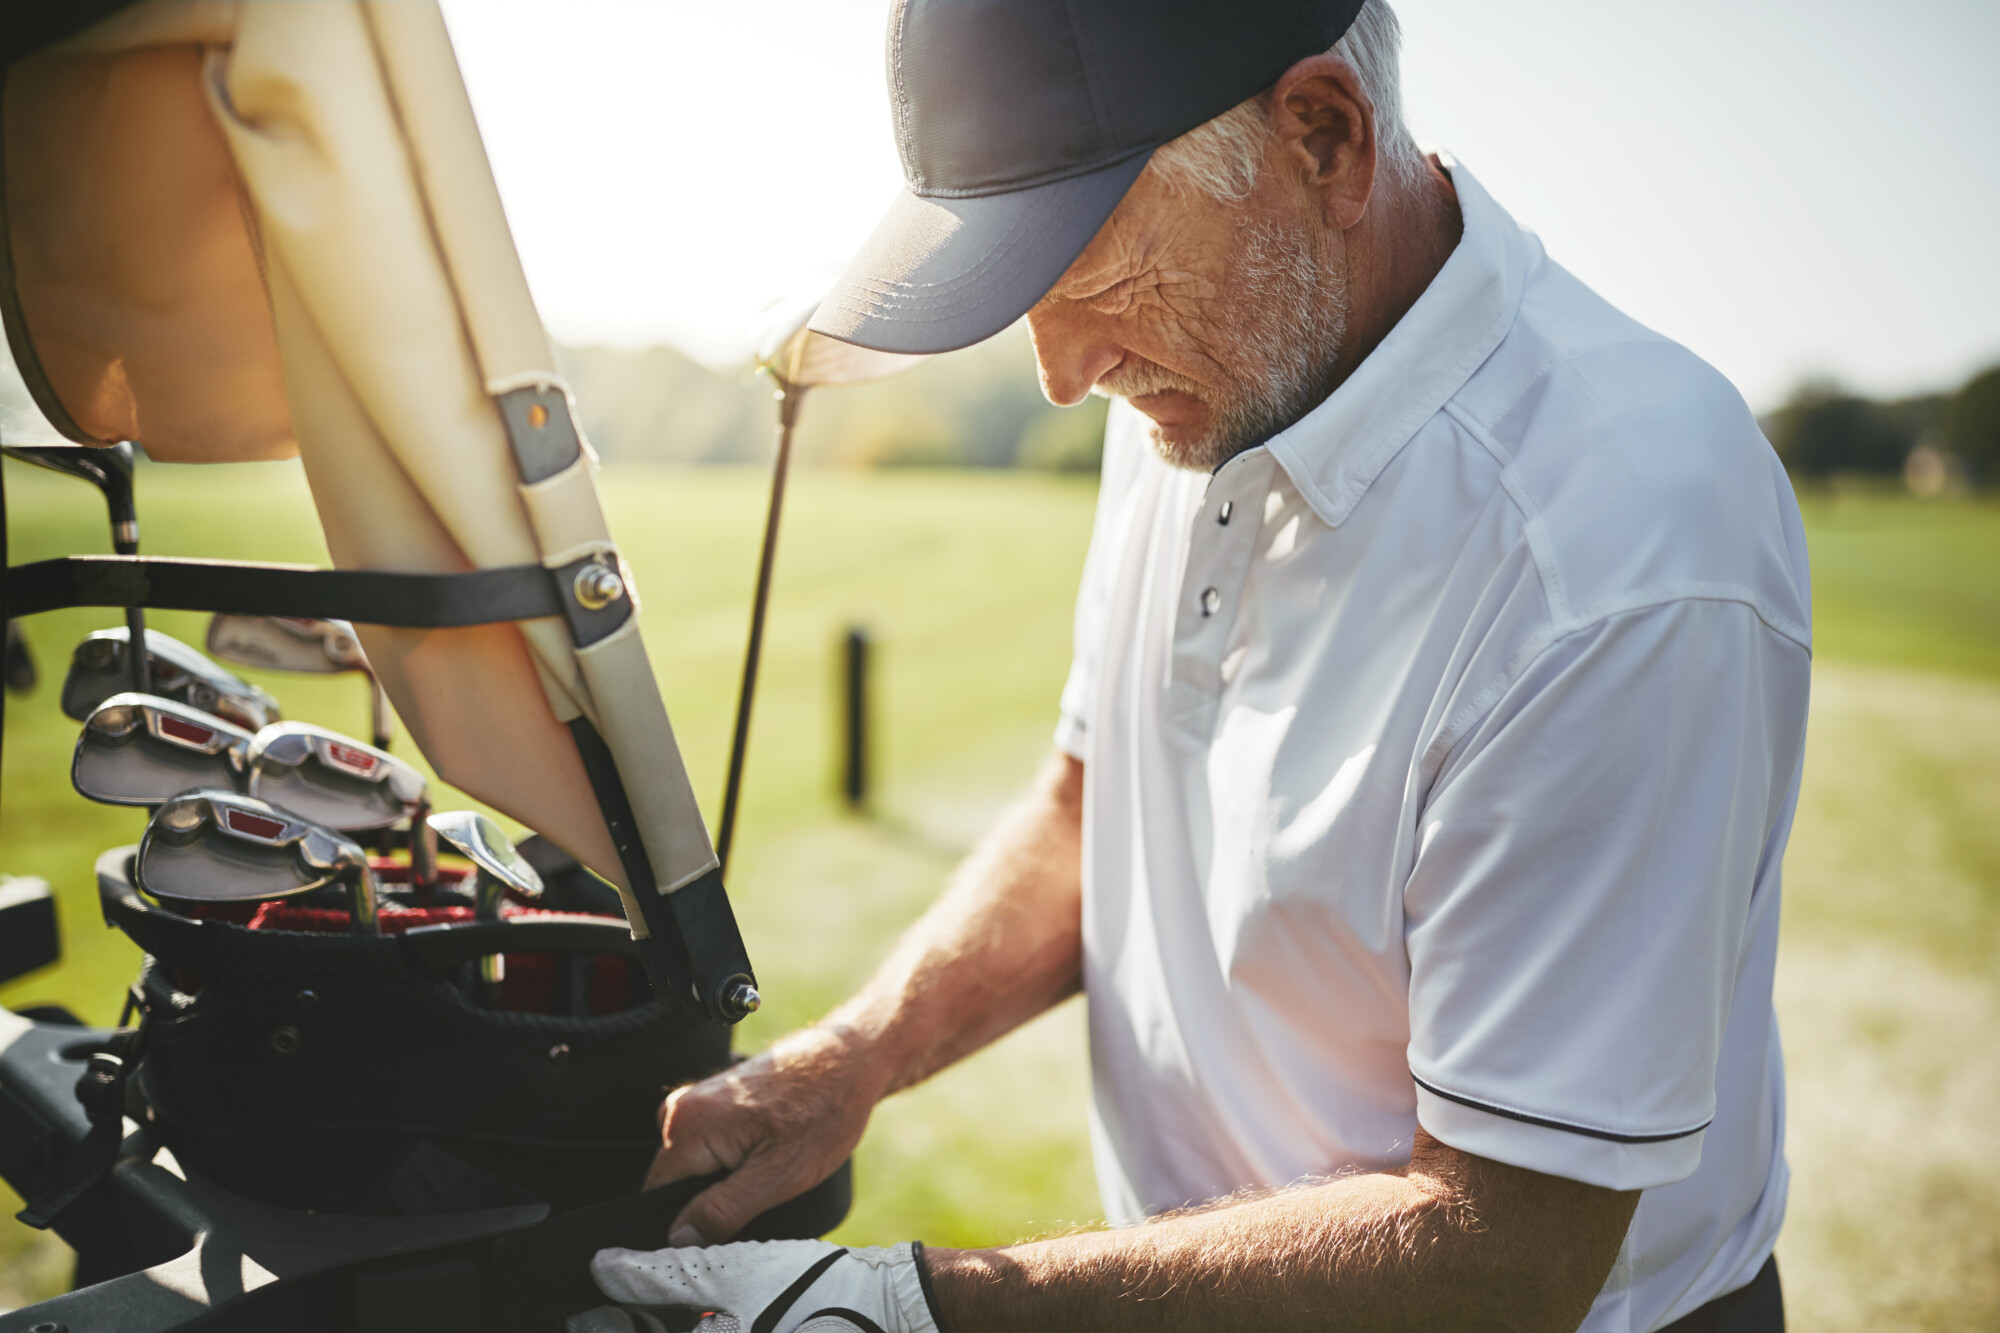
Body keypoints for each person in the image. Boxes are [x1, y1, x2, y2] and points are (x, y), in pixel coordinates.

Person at [582, 1, 1808, 1330]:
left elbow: (1506, 1248)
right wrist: (852, 1057)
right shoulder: (1208, 376)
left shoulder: (1619, 546)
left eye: (1090, 275)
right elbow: (1089, 803)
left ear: (1326, 138)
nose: (1062, 374)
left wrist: (920, 1305)